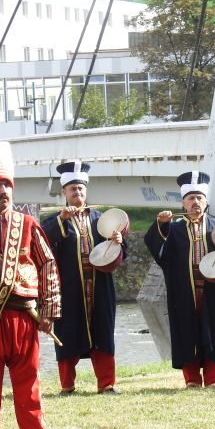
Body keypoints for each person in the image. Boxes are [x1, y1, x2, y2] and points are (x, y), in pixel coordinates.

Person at [0, 165, 60, 429]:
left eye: (7, 186)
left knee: (28, 385)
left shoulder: (28, 224)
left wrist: (49, 310)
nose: (4, 191)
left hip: (24, 317)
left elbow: (47, 264)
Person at [144, 171, 215, 389]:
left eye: (199, 198)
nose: (195, 202)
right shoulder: (174, 229)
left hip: (212, 289)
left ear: (206, 202)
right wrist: (161, 225)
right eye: (191, 198)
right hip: (183, 290)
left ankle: (214, 378)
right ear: (183, 203)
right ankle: (192, 379)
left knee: (213, 331)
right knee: (186, 332)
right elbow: (158, 251)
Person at [41, 161, 126, 395]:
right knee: (67, 333)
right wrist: (62, 220)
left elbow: (119, 251)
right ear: (64, 192)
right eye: (72, 189)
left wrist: (119, 242)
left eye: (80, 188)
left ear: (86, 191)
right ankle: (67, 385)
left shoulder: (101, 219)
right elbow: (42, 240)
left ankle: (106, 383)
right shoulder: (55, 220)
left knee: (103, 332)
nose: (77, 192)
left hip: (100, 286)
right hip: (69, 288)